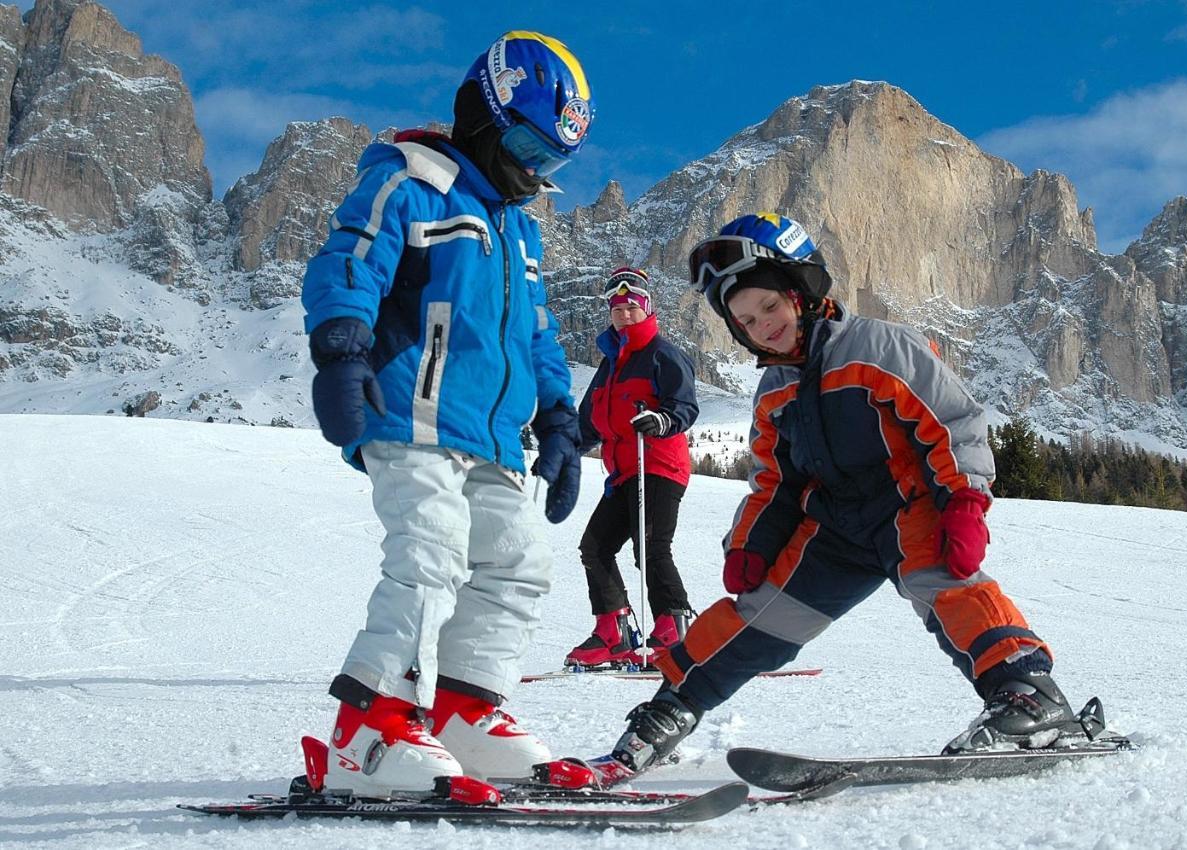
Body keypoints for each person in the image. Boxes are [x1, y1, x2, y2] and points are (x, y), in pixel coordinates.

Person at [594, 213, 1099, 780]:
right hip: (833, 527)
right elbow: (774, 482)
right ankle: (671, 707)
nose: (761, 325)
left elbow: (952, 422)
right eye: (744, 321)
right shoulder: (774, 391)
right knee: (761, 614)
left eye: (768, 307)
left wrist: (964, 501)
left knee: (944, 586)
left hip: (911, 504)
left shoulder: (879, 347)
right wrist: (750, 544)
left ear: (800, 293)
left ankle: (1030, 696)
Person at [299, 31, 594, 794]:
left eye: (552, 160)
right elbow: (350, 258)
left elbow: (536, 331)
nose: (535, 169)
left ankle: (465, 710)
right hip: (411, 417)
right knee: (431, 556)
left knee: (517, 563)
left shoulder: (516, 225)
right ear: (486, 114)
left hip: (491, 436)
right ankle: (367, 726)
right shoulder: (413, 180)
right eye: (529, 144)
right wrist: (342, 349)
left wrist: (560, 417)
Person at [566, 267, 700, 669]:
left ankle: (674, 629)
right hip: (623, 473)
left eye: (631, 306)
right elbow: (589, 422)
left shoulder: (663, 354)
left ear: (646, 308)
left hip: (658, 464)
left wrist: (660, 420)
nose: (624, 313)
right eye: (616, 307)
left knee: (652, 548)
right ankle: (614, 631)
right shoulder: (609, 365)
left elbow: (684, 406)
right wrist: (563, 451)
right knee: (596, 546)